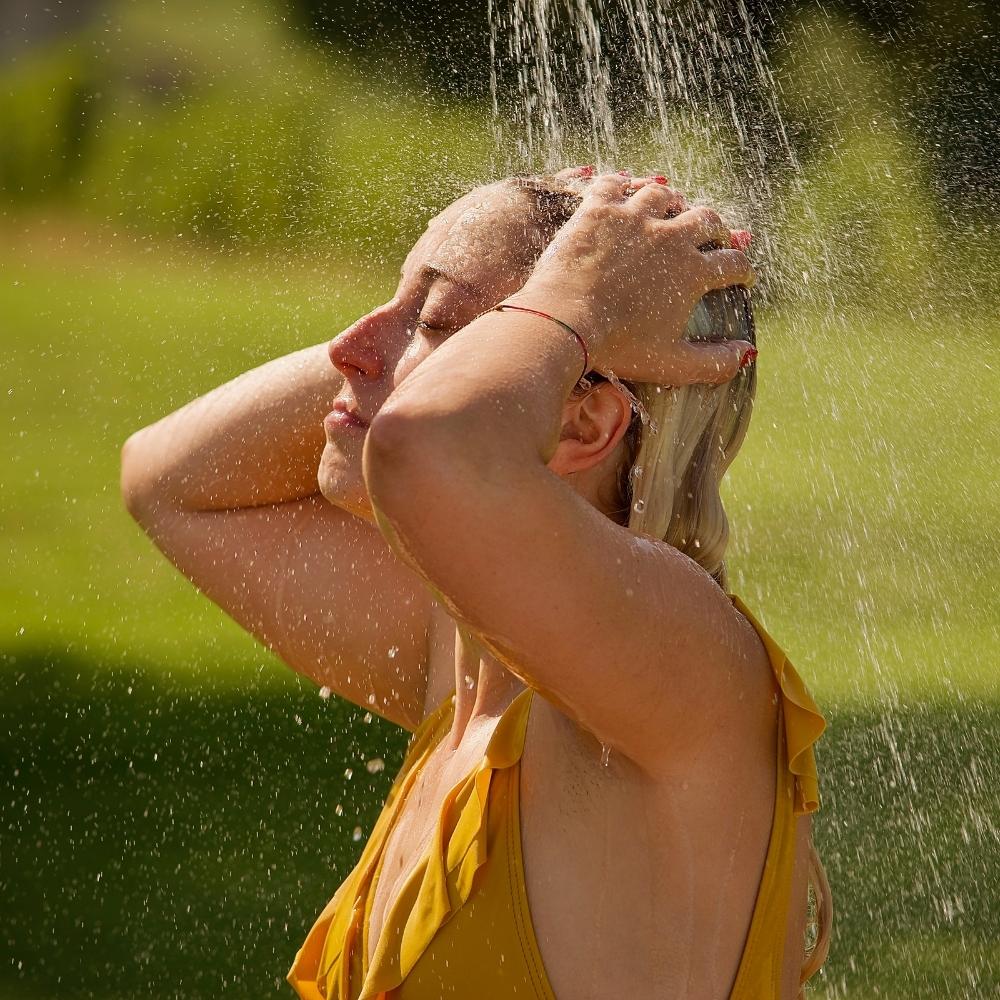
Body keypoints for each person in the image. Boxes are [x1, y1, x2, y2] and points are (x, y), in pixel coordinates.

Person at [120, 168, 831, 999]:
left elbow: (433, 453)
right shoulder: (468, 657)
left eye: (438, 324)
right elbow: (172, 481)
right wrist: (539, 305)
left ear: (583, 419)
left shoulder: (687, 668)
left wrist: (572, 299)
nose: (348, 348)